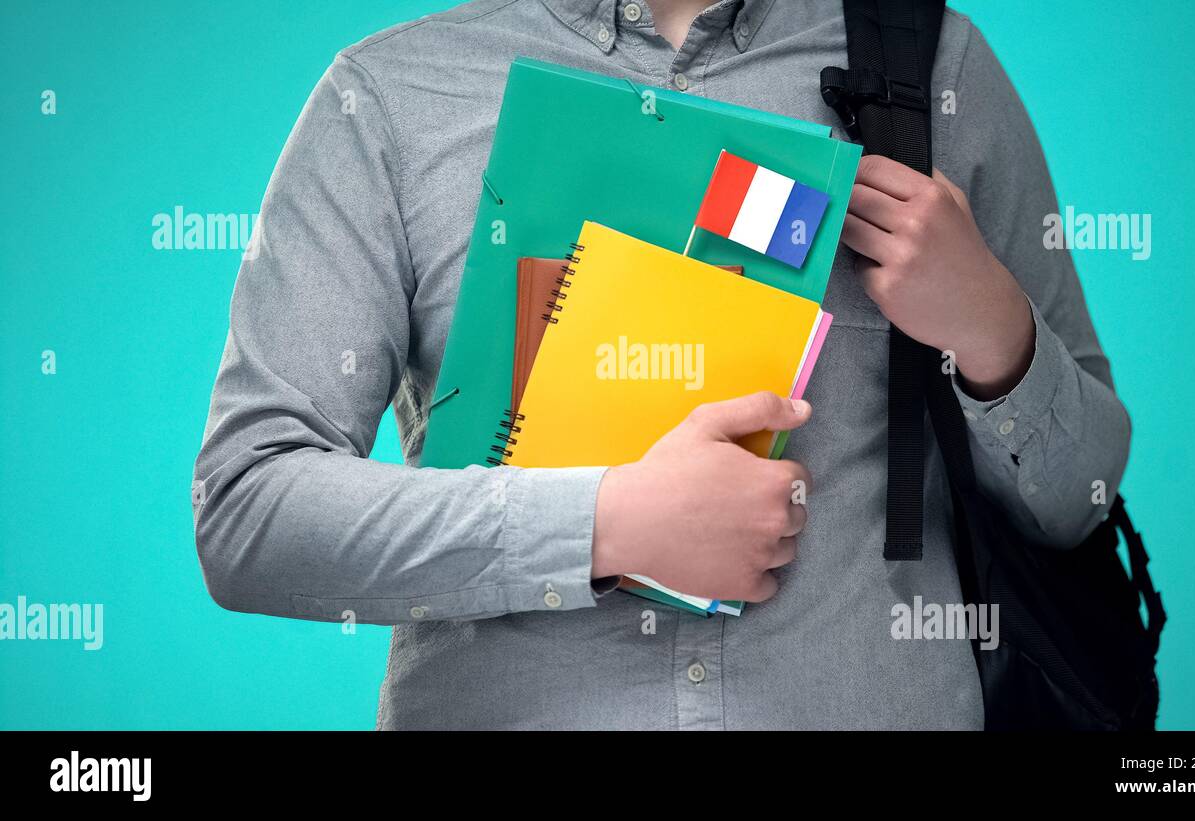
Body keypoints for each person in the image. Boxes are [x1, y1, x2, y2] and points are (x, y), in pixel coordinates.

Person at [193, 0, 1129, 729]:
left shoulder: (934, 74)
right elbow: (249, 513)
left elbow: (1078, 496)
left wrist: (993, 328)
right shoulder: (390, 100)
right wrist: (604, 523)